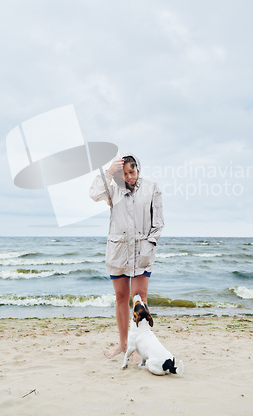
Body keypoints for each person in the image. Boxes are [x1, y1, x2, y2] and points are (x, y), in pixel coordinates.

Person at [89, 153, 164, 358]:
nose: (129, 177)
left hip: (142, 252)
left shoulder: (151, 188)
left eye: (132, 172)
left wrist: (150, 244)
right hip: (118, 251)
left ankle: (140, 346)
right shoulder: (113, 190)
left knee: (139, 299)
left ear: (138, 168)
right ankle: (123, 345)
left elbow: (158, 222)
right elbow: (94, 194)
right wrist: (108, 172)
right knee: (121, 298)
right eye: (124, 174)